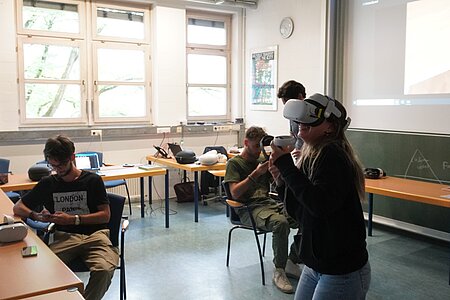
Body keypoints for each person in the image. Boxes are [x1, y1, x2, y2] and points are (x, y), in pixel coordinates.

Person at [269, 94, 371, 299]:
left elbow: (319, 205)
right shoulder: (311, 155)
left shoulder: (333, 156)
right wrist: (281, 180)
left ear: (330, 127)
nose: (301, 123)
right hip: (315, 264)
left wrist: (287, 168)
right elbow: (299, 211)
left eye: (311, 117)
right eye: (300, 118)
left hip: (341, 270)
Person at [13, 135, 118, 300]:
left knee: (103, 270)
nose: (57, 170)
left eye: (61, 164)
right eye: (52, 165)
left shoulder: (92, 180)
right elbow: (18, 207)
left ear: (72, 157)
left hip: (95, 236)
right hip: (64, 237)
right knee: (38, 270)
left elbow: (105, 216)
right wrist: (36, 216)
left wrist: (73, 219)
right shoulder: (49, 183)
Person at [224, 126, 302, 294]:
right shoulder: (234, 163)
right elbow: (235, 193)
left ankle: (292, 260)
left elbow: (276, 185)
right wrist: (256, 173)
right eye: (255, 146)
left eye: (261, 147)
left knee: (305, 214)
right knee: (280, 223)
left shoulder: (262, 158)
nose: (259, 150)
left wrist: (276, 174)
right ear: (246, 143)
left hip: (268, 203)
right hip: (247, 209)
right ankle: (279, 271)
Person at [277, 80, 307, 155]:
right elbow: (293, 136)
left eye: (289, 105)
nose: (288, 109)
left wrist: (305, 154)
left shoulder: (311, 116)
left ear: (300, 97)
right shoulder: (292, 113)